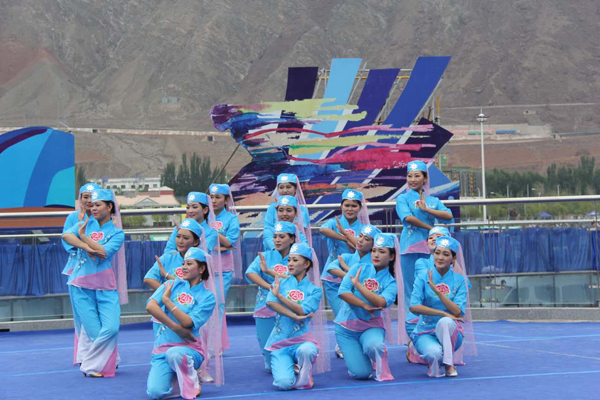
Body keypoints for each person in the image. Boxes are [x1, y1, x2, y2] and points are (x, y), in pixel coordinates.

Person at [62, 189, 127, 377]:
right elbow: (66, 236)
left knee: (111, 328)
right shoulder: (85, 223)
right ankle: (92, 366)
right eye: (92, 205)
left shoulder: (117, 233)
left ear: (109, 206)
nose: (94, 207)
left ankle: (97, 364)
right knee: (94, 331)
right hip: (80, 284)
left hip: (105, 285)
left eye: (98, 204)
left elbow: (103, 252)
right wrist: (86, 246)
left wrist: (83, 237)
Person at [146, 248, 223, 399]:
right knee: (155, 393)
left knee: (174, 354)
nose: (184, 267)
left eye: (189, 264)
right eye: (183, 264)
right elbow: (150, 306)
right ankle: (178, 381)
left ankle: (192, 381)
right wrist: (175, 327)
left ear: (201, 268)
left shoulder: (207, 297)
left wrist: (167, 301)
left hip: (188, 350)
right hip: (163, 349)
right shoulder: (171, 284)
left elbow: (188, 322)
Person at [334, 233, 406, 381]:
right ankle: (360, 356)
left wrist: (358, 286)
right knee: (361, 374)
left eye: (382, 251)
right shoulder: (358, 267)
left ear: (391, 257)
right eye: (374, 250)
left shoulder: (391, 282)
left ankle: (376, 353)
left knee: (374, 346)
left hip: (371, 326)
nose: (376, 255)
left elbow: (381, 302)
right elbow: (342, 292)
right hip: (346, 330)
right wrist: (363, 305)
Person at [395, 160, 452, 337]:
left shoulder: (433, 201)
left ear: (425, 178)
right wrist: (432, 229)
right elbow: (407, 219)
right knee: (410, 290)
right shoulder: (403, 198)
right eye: (409, 176)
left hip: (431, 249)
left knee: (430, 287)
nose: (412, 179)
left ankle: (429, 329)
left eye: (417, 176)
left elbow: (448, 216)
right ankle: (411, 333)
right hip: (409, 248)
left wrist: (428, 210)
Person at [265, 243, 329, 390]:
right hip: (280, 342)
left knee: (307, 350)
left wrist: (280, 296)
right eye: (289, 260)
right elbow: (270, 302)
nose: (290, 264)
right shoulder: (279, 282)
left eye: (295, 260)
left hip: (302, 340)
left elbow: (302, 311)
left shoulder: (315, 290)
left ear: (306, 264)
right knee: (284, 384)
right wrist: (293, 316)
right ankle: (293, 367)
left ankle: (305, 375)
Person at [409, 236, 468, 378]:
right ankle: (424, 351)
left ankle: (449, 364)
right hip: (425, 331)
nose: (440, 257)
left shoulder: (460, 280)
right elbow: (414, 306)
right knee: (434, 355)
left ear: (453, 258)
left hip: (452, 333)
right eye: (437, 253)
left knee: (445, 322)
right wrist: (443, 313)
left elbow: (458, 312)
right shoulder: (423, 277)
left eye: (446, 254)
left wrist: (437, 292)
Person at [321, 224, 381, 359]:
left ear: (373, 245)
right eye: (360, 236)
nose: (360, 240)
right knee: (342, 317)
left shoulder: (374, 263)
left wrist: (349, 272)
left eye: (366, 239)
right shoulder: (347, 257)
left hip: (363, 300)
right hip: (341, 292)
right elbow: (331, 268)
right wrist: (351, 277)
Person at [245, 221, 297, 371]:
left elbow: (297, 279)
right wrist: (269, 287)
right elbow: (250, 273)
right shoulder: (265, 256)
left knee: (291, 342)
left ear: (292, 239)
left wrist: (269, 273)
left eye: (282, 236)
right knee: (269, 361)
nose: (277, 240)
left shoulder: (298, 258)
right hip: (265, 306)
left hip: (289, 306)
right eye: (275, 237)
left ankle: (291, 360)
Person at [61, 182, 101, 365]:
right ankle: (83, 354)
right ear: (80, 199)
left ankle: (99, 351)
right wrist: (85, 247)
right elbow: (67, 241)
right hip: (78, 269)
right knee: (81, 313)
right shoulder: (72, 218)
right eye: (86, 197)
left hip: (99, 270)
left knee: (98, 311)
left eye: (93, 197)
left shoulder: (103, 219)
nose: (89, 201)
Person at [406, 226, 450, 363]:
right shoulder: (421, 262)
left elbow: (464, 287)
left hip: (443, 318)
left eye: (438, 237)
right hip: (419, 319)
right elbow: (428, 281)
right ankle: (415, 345)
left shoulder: (453, 268)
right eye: (431, 237)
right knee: (434, 357)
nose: (433, 239)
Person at [144, 218, 203, 290]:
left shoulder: (201, 262)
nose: (180, 241)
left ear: (196, 242)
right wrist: (167, 293)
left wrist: (166, 275)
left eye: (185, 238)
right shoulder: (167, 258)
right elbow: (149, 278)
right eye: (178, 236)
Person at [320, 189, 370, 269]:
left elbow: (364, 248)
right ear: (341, 206)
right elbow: (322, 230)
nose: (350, 209)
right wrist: (345, 239)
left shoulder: (364, 228)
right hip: (335, 267)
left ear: (360, 208)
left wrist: (346, 234)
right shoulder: (334, 222)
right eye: (347, 205)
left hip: (355, 268)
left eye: (354, 206)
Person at [209, 183, 241, 303]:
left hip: (223, 267)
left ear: (227, 200)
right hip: (203, 265)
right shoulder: (204, 217)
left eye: (218, 197)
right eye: (211, 197)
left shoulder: (232, 218)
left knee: (218, 301)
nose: (213, 201)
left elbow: (230, 242)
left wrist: (211, 231)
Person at [264, 173, 311, 245]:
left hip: (297, 246)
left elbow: (301, 232)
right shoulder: (272, 208)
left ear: (295, 189)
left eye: (288, 187)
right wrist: (274, 247)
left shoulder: (302, 209)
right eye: (281, 187)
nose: (285, 190)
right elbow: (268, 231)